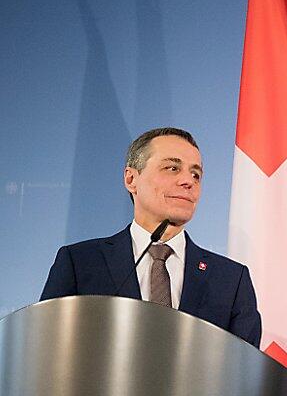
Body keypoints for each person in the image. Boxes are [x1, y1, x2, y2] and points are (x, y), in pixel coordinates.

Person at [40, 127, 261, 348]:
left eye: (196, 174)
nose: (189, 181)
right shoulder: (80, 263)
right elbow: (46, 349)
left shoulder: (231, 280)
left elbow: (244, 372)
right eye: (172, 168)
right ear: (131, 179)